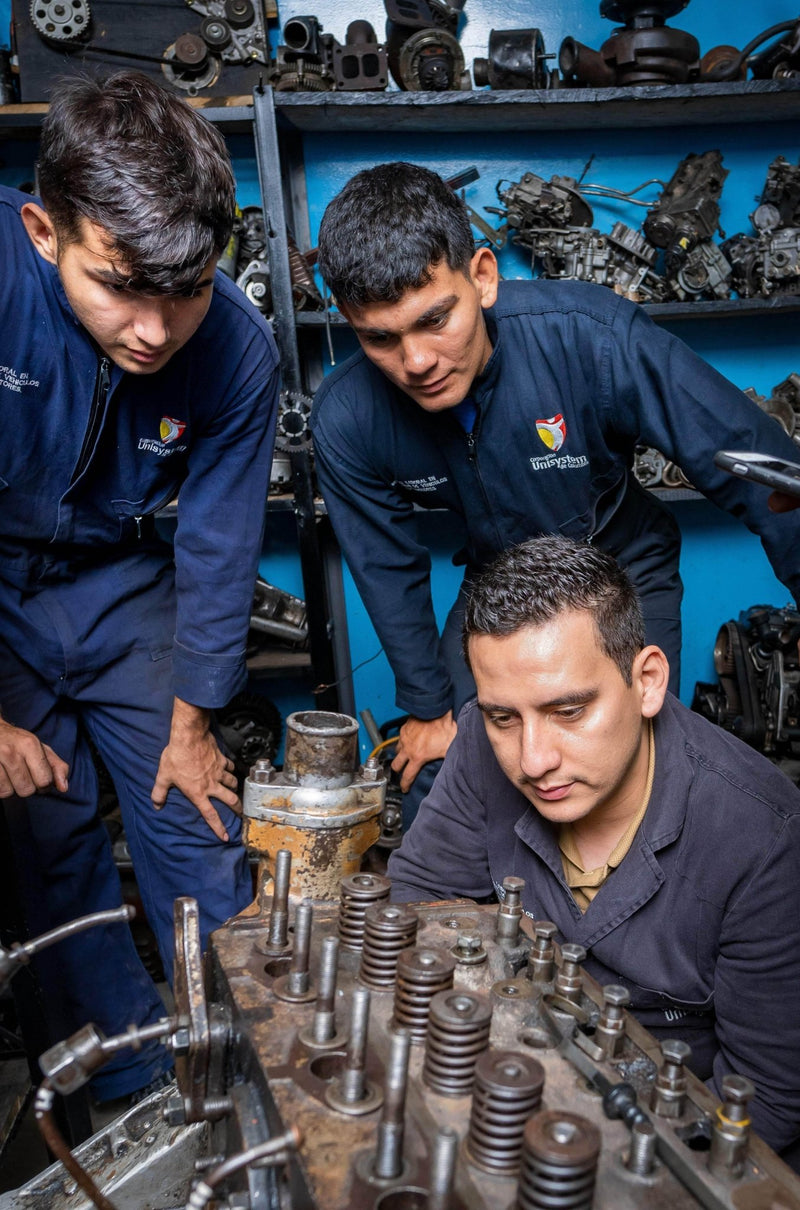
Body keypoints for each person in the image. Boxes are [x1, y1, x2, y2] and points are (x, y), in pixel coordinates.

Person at [310, 160, 800, 826]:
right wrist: (429, 712)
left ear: (482, 276)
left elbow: (751, 464)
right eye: (381, 338)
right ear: (349, 321)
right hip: (501, 587)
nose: (416, 361)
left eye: (435, 320)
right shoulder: (347, 419)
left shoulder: (589, 337)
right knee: (446, 786)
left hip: (623, 568)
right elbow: (385, 570)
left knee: (638, 792)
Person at [0, 72, 279, 1101]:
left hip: (122, 589)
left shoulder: (238, 353)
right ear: (42, 230)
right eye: (120, 286)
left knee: (197, 821)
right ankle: (122, 1105)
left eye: (187, 290)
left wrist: (195, 716)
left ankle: (248, 1083)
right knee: (46, 838)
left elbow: (218, 542)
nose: (156, 331)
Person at [387, 535, 800, 1159]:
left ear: (648, 681)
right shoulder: (481, 741)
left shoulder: (763, 836)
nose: (533, 759)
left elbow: (766, 1103)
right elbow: (416, 907)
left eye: (569, 711)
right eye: (505, 718)